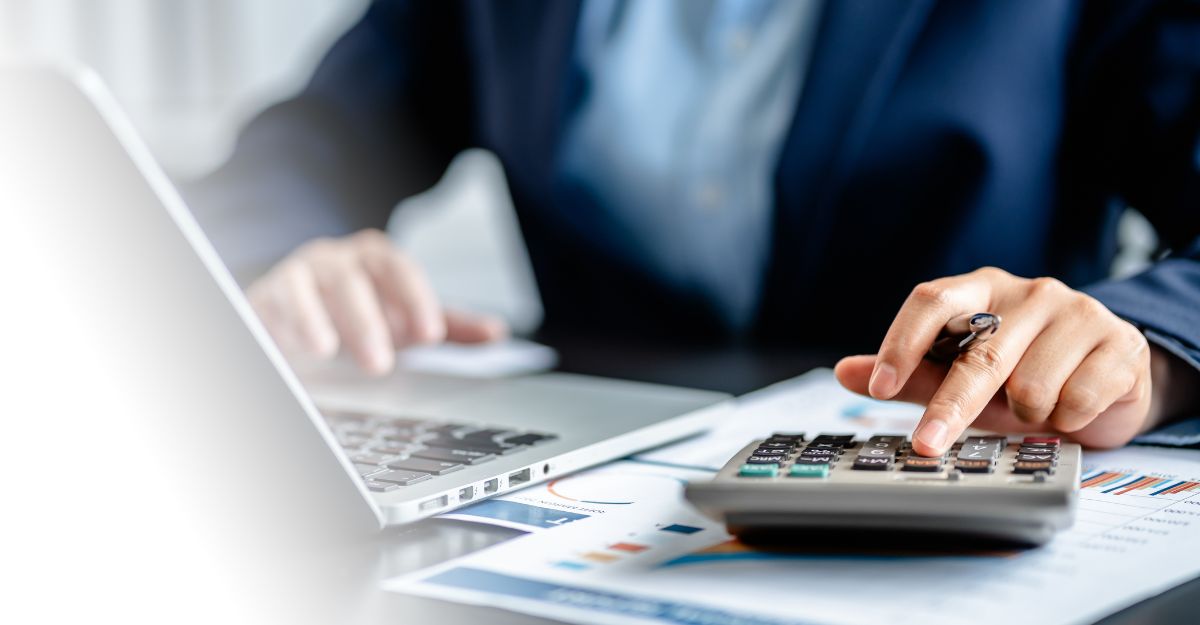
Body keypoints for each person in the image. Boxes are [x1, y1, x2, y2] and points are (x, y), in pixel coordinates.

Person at [188, 0, 1200, 457]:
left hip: (942, 471)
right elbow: (302, 148)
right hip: (588, 491)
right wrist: (289, 255)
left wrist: (1140, 348)